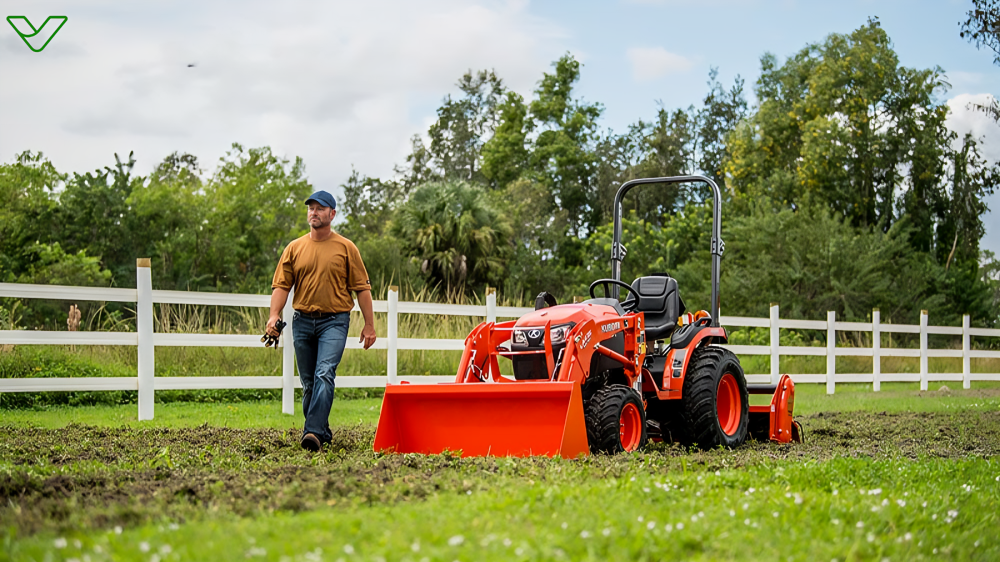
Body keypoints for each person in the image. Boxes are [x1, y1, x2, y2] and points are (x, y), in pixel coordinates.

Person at [267, 190, 377, 452]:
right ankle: (322, 431)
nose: (313, 212)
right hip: (302, 322)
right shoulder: (294, 248)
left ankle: (313, 433)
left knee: (324, 373)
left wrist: (369, 325)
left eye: (320, 208)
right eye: (311, 208)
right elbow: (281, 286)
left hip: (334, 322)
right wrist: (274, 315)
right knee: (309, 383)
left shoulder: (346, 248)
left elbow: (362, 289)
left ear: (332, 214)